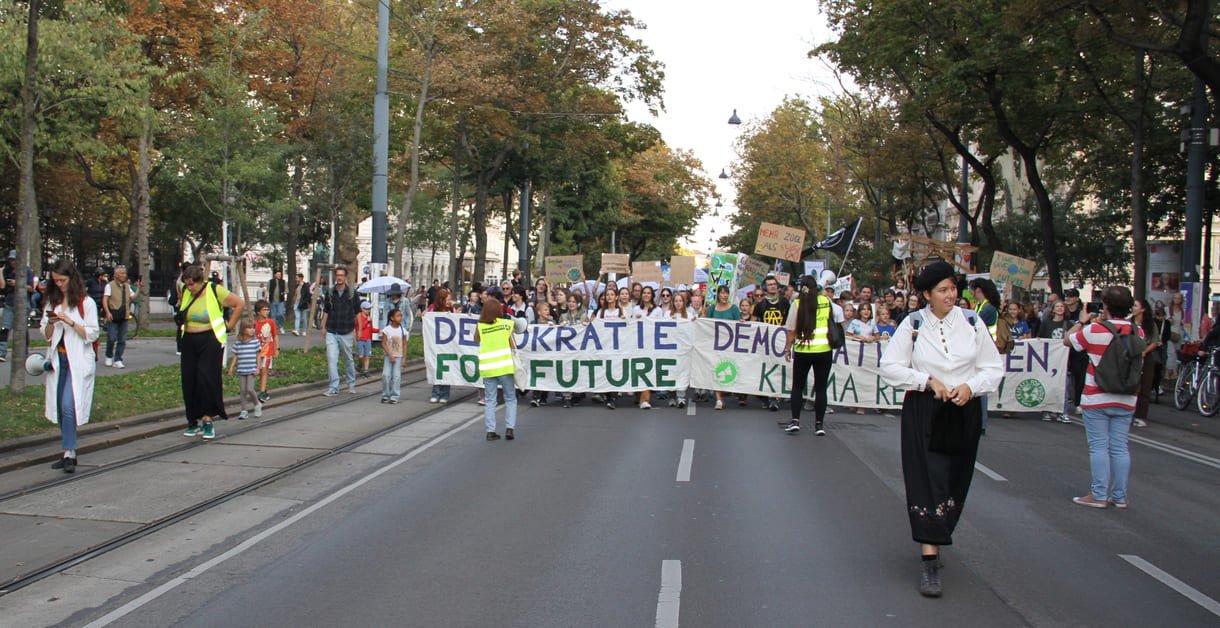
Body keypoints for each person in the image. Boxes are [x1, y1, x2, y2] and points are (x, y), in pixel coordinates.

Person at [878, 261, 1003, 598]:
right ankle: (930, 559)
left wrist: (971, 386)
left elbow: (993, 367)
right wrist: (925, 380)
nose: (951, 295)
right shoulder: (913, 324)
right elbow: (889, 367)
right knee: (927, 480)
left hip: (964, 409)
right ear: (927, 295)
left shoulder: (973, 323)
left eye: (953, 288)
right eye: (943, 290)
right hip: (925, 411)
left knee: (954, 479)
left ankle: (938, 532)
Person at [1066, 286, 1142, 509]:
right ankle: (1119, 496)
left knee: (1098, 446)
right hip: (1127, 396)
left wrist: (1081, 321)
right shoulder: (1138, 332)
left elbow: (1068, 341)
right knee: (1120, 447)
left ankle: (1098, 494)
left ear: (1106, 306)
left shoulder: (1095, 329)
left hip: (1096, 396)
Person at [40, 259, 100, 473]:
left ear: (71, 278)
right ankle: (68, 452)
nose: (58, 284)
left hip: (77, 360)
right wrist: (51, 322)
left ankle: (70, 452)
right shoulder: (52, 302)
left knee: (68, 405)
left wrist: (71, 322)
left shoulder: (86, 303)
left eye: (62, 280)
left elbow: (92, 333)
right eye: (55, 281)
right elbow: (46, 335)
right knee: (60, 406)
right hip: (59, 359)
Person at [178, 264, 245, 439]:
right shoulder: (185, 290)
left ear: (201, 281)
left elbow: (240, 303)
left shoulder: (214, 290)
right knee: (189, 379)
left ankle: (208, 419)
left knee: (205, 376)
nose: (189, 288)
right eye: (187, 284)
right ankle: (193, 420)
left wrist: (229, 326)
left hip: (210, 339)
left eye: (192, 284)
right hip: (189, 340)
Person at [782, 272, 844, 434]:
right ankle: (819, 425)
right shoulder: (825, 301)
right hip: (824, 350)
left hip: (803, 350)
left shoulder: (797, 304)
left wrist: (788, 348)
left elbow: (791, 330)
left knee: (798, 386)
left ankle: (795, 420)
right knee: (821, 388)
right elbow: (836, 320)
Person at [476, 298, 518, 440]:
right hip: (504, 367)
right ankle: (510, 428)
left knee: (490, 400)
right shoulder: (507, 324)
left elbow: (476, 340)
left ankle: (490, 431)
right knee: (510, 398)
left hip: (488, 368)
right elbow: (513, 345)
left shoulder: (481, 326)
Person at [968, 277, 1002, 432]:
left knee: (980, 386)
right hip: (979, 348)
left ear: (978, 290)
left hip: (984, 349)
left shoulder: (988, 309)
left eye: (972, 289)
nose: (970, 293)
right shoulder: (981, 306)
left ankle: (981, 422)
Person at [321, 267, 359, 397]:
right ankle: (333, 387)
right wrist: (323, 326)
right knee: (332, 359)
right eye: (337, 275)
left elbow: (358, 312)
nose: (339, 278)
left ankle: (351, 383)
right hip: (332, 330)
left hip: (347, 330)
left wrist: (358, 330)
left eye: (342, 275)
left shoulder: (352, 293)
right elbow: (326, 310)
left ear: (346, 277)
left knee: (348, 358)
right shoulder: (330, 293)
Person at [706, 284, 742, 410]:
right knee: (717, 369)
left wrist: (741, 322)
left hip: (730, 345)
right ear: (718, 295)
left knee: (728, 367)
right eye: (721, 293)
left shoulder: (734, 309)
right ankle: (718, 399)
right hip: (715, 344)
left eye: (726, 293)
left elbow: (739, 324)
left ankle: (726, 392)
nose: (724, 295)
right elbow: (706, 324)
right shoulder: (712, 308)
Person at [1037, 300, 1074, 423]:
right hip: (1049, 359)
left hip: (1064, 360)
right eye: (1057, 306)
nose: (1059, 309)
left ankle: (1062, 412)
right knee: (1048, 384)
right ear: (1052, 309)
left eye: (1061, 306)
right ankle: (1046, 410)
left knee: (1064, 386)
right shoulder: (1046, 323)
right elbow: (1040, 338)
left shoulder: (1069, 324)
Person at [594, 285, 629, 409]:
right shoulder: (601, 312)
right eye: (607, 295)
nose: (609, 297)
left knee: (614, 370)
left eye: (612, 295)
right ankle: (607, 395)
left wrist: (624, 321)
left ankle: (612, 398)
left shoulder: (620, 312)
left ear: (617, 297)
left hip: (616, 347)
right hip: (604, 346)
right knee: (605, 371)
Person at [1, 250, 35, 362]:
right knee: (4, 328)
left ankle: (24, 352)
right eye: (11, 260)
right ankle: (2, 352)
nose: (13, 262)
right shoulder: (7, 271)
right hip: (10, 302)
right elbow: (2, 286)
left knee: (22, 329)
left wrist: (17, 284)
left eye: (15, 260)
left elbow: (31, 288)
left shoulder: (27, 271)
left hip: (23, 303)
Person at [1132, 298, 1160, 428]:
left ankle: (1140, 416)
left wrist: (1144, 352)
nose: (1133, 308)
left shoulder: (1150, 324)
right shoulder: (1129, 322)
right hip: (1131, 356)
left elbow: (1155, 341)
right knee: (1130, 384)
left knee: (1145, 385)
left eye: (1136, 306)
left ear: (1143, 309)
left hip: (1146, 356)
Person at [102, 264, 137, 368]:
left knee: (122, 339)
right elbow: (105, 299)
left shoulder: (126, 286)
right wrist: (107, 312)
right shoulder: (109, 285)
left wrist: (138, 289)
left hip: (124, 315)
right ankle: (108, 356)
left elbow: (132, 297)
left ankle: (118, 359)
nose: (124, 275)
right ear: (116, 275)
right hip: (113, 315)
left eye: (125, 273)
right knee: (111, 337)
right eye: (121, 273)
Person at [428, 288, 459, 403]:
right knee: (437, 369)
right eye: (448, 299)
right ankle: (435, 392)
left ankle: (445, 394)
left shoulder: (451, 309)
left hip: (449, 343)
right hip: (436, 344)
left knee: (447, 369)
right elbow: (427, 321)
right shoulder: (433, 309)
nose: (449, 301)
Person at [228, 319, 263, 419]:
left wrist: (258, 368)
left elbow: (258, 356)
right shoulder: (238, 343)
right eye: (249, 328)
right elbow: (235, 356)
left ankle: (257, 403)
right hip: (242, 369)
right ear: (243, 330)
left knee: (249, 389)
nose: (252, 330)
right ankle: (244, 410)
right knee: (243, 391)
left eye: (253, 328)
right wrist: (231, 368)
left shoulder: (255, 342)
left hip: (251, 369)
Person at [254, 300, 280, 403]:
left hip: (267, 351)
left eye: (267, 310)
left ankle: (262, 392)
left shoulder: (270, 322)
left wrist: (277, 349)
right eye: (264, 310)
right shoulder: (254, 324)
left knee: (264, 370)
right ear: (258, 312)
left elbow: (275, 335)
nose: (267, 312)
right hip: (257, 352)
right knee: (258, 371)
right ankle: (263, 389)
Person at [381, 307, 407, 404]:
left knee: (396, 376)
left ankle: (394, 396)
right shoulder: (387, 330)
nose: (400, 318)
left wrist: (404, 358)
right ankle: (385, 395)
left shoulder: (403, 331)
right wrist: (390, 355)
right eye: (397, 316)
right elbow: (383, 343)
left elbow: (404, 344)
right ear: (392, 318)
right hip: (389, 356)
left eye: (400, 316)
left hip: (399, 356)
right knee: (386, 375)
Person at [355, 301, 375, 376]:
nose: (368, 310)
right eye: (367, 309)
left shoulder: (369, 318)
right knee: (360, 355)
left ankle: (366, 370)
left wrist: (379, 330)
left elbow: (371, 328)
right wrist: (367, 321)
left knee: (367, 356)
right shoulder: (359, 317)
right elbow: (361, 326)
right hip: (360, 338)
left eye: (369, 309)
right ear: (362, 309)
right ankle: (360, 364)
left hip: (368, 339)